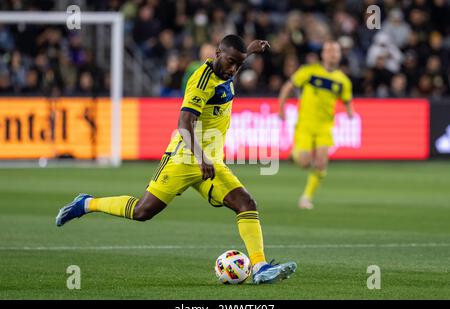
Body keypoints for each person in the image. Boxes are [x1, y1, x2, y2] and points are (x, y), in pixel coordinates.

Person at [56, 35, 296, 284]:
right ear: (217, 54)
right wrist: (201, 157)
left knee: (246, 203)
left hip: (211, 163)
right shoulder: (201, 82)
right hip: (184, 158)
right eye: (231, 62)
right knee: (142, 211)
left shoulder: (227, 68)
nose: (233, 69)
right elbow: (183, 124)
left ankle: (260, 267)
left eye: (239, 63)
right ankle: (86, 204)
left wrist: (250, 51)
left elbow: (233, 61)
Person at [278, 40, 354, 210]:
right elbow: (287, 87)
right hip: (305, 124)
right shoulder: (309, 72)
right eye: (329, 51)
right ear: (323, 54)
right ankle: (295, 154)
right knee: (305, 163)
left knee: (321, 164)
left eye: (336, 51)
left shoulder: (343, 81)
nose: (333, 54)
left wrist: (350, 113)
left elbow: (347, 100)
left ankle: (306, 197)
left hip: (325, 127)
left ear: (340, 55)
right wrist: (281, 108)